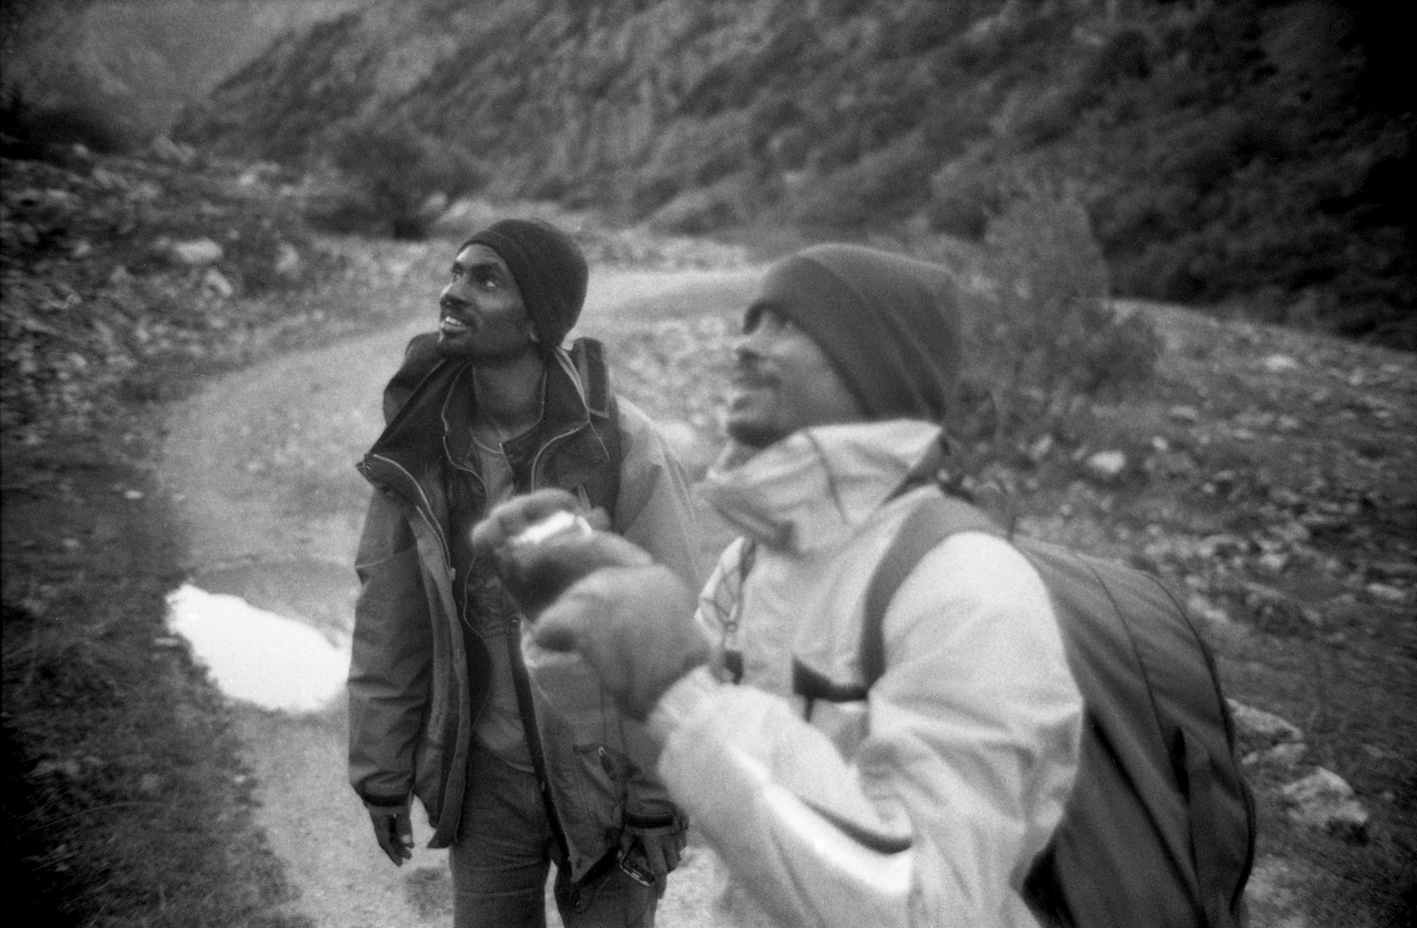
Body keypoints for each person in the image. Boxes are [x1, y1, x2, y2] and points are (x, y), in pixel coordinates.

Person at [478, 243, 1086, 927]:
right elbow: (680, 746)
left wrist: (674, 682)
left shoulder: (966, 587)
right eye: (752, 321)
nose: (744, 346)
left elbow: (931, 905)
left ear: (876, 365)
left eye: (787, 325)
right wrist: (583, 627)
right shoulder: (753, 562)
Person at [347, 218, 701, 928]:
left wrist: (657, 797)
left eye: (485, 279)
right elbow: (390, 616)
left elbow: (666, 631)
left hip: (603, 782)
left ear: (539, 319)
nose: (453, 293)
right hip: (486, 781)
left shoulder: (621, 445)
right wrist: (382, 775)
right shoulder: (421, 446)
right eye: (455, 273)